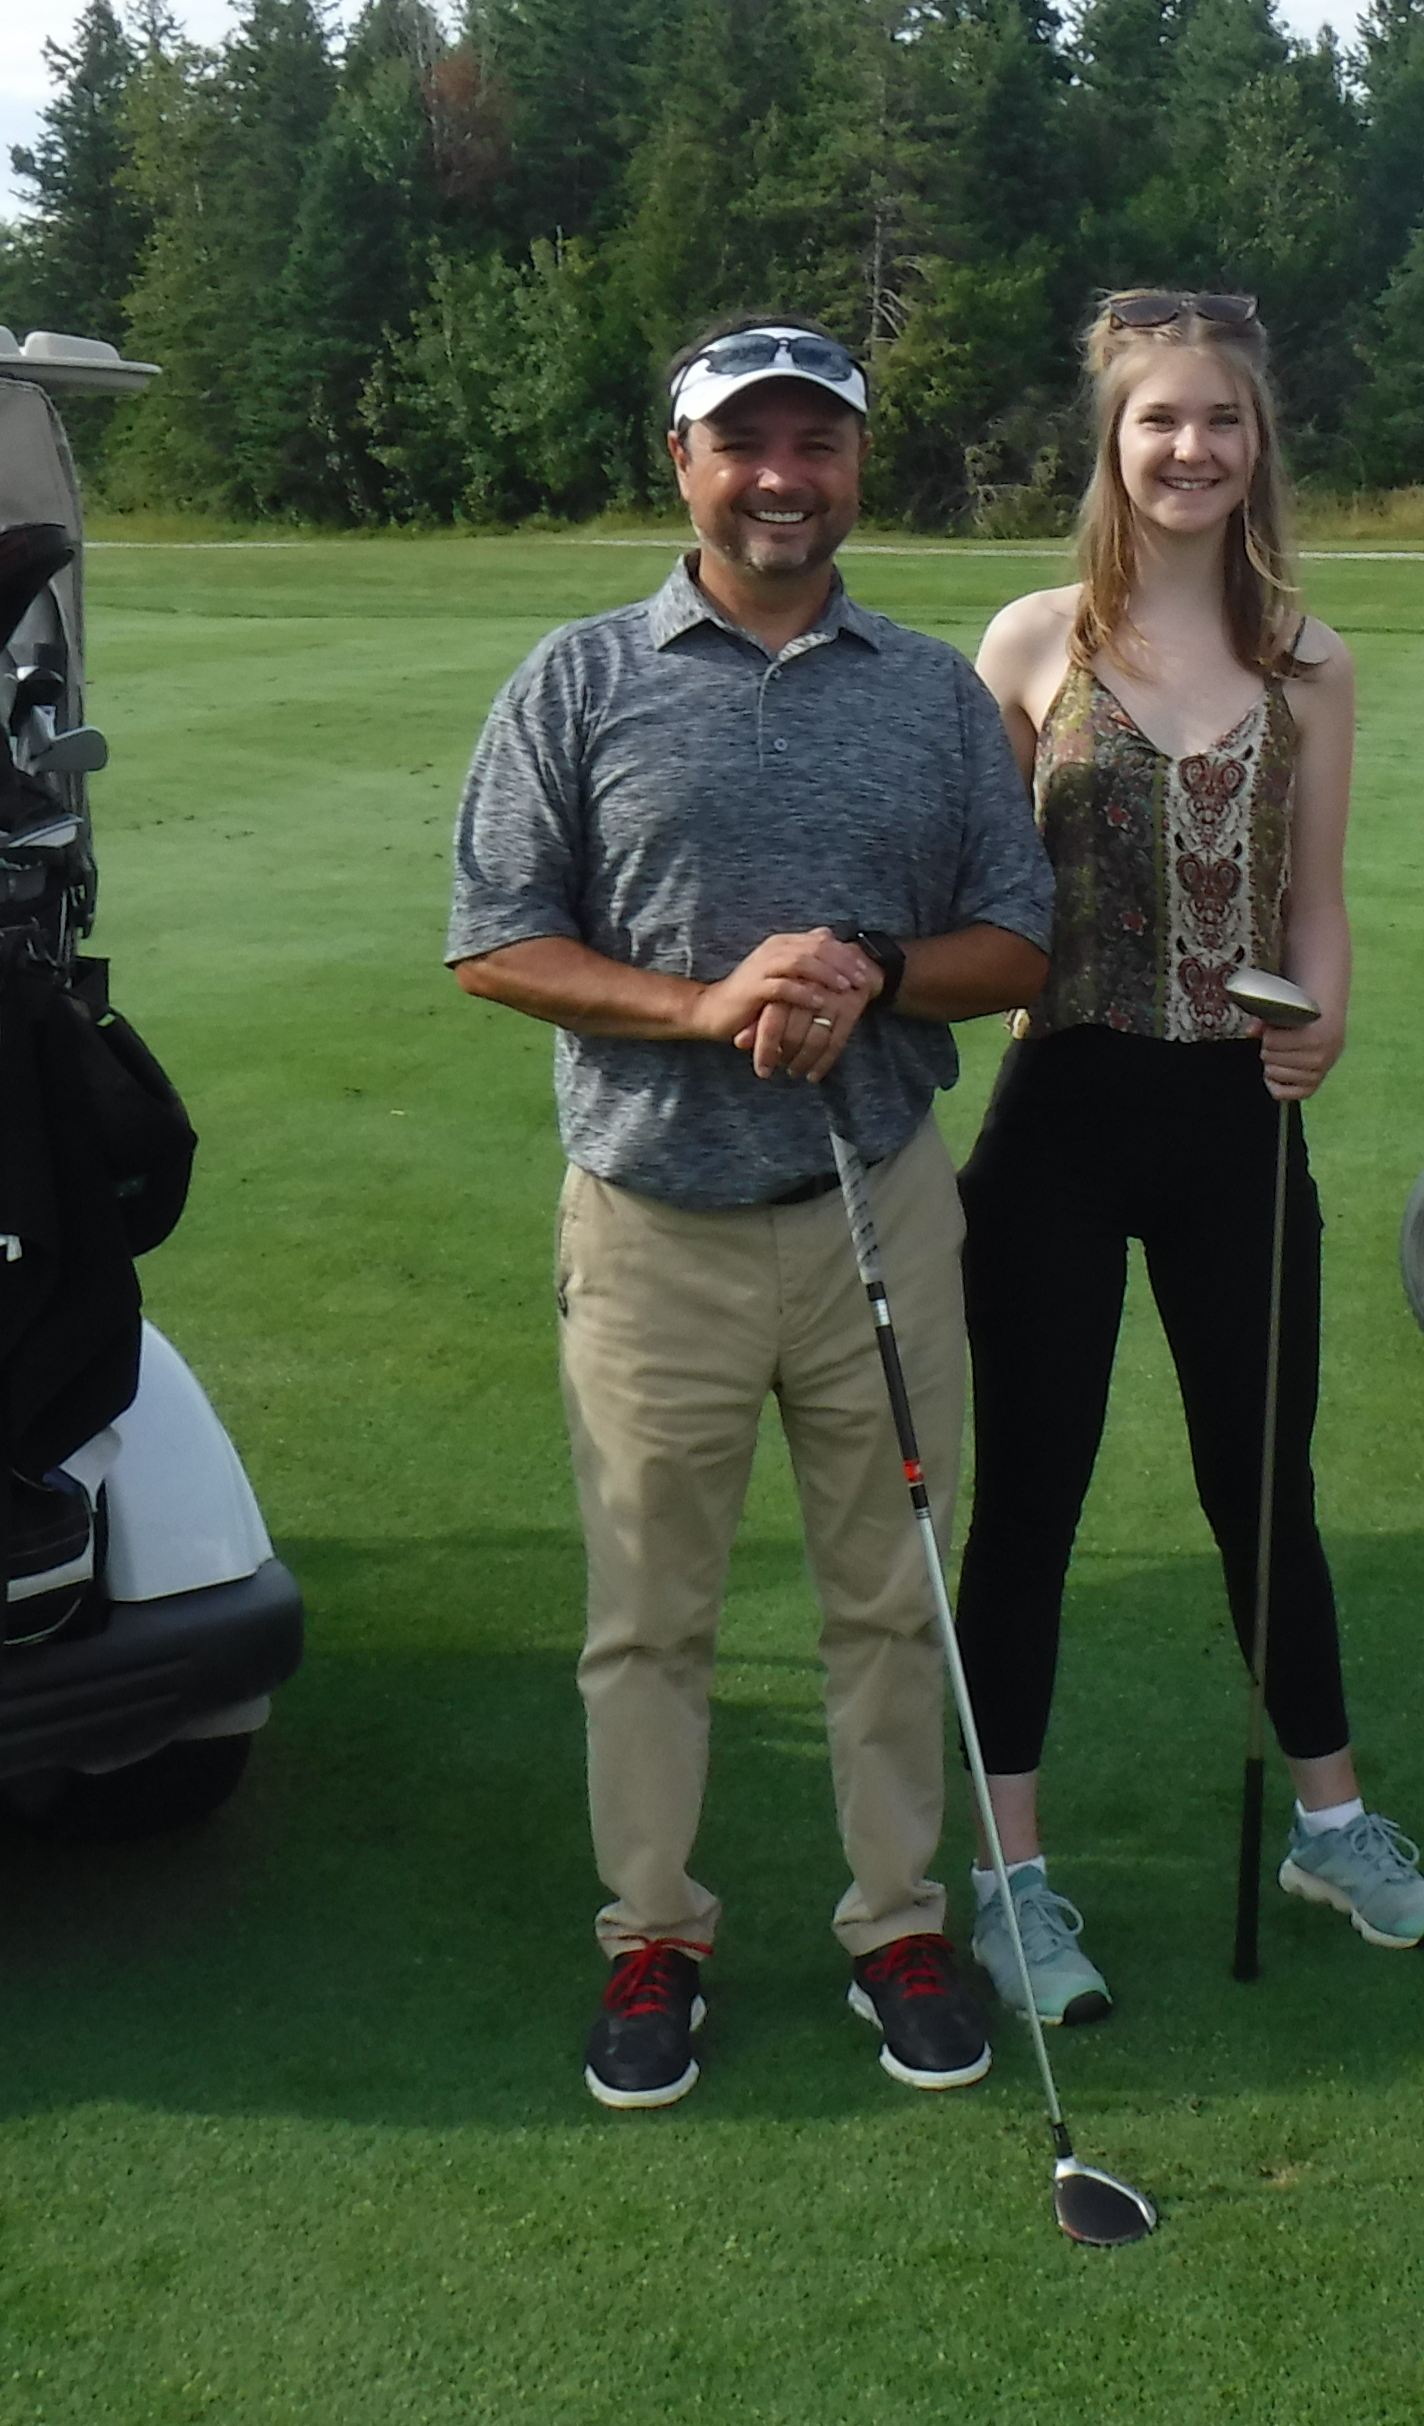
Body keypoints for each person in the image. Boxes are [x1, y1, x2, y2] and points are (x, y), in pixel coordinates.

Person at [447, 317, 1057, 2116]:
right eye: (746, 443)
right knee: (652, 1609)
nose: (782, 475)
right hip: (654, 1223)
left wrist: (864, 969)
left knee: (892, 1593)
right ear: (683, 462)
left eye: (818, 443)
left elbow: (1016, 941)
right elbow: (496, 939)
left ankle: (898, 1924)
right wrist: (707, 1002)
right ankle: (656, 1933)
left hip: (878, 1204)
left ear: (858, 468)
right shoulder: (578, 679)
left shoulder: (932, 692)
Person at [951, 288, 1424, 2026]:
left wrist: (1322, 1018)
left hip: (1238, 1118)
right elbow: (987, 907)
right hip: (1060, 1111)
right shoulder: (1031, 645)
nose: (1190, 449)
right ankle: (1011, 1875)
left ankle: (1334, 1823)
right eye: (1159, 421)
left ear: (1259, 446)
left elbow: (1314, 904)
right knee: (1032, 1498)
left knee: (1266, 1492)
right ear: (1113, 440)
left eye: (1220, 423)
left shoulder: (1310, 657)